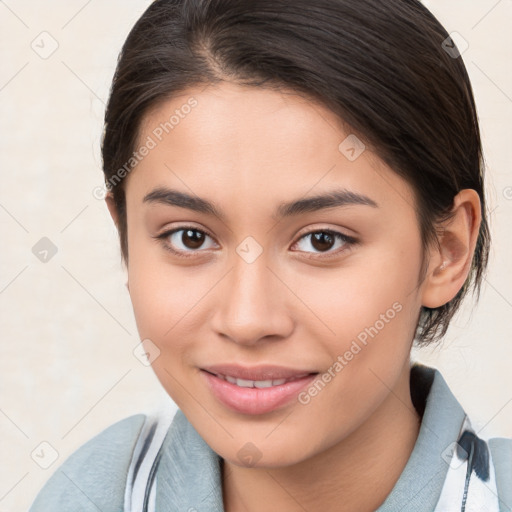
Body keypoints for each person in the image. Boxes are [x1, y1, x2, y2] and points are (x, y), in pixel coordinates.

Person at [29, 0, 511, 510]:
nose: (247, 320)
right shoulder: (88, 495)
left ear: (448, 249)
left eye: (322, 240)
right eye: (189, 237)